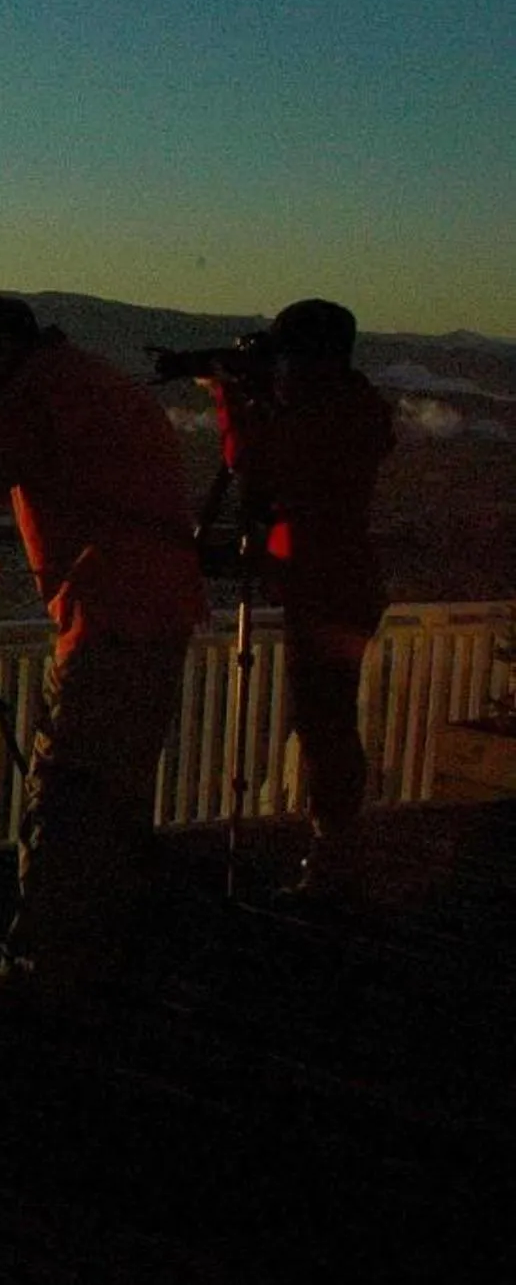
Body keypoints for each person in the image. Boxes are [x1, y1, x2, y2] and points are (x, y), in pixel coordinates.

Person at [0, 293, 207, 1019]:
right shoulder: (78, 380)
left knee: (69, 793)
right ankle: (103, 957)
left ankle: (43, 970)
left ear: (0, 346)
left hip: (111, 612)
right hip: (147, 605)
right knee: (109, 799)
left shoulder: (48, 393)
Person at [193, 298, 394, 906]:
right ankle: (336, 852)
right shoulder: (352, 408)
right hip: (336, 584)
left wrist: (231, 400)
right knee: (328, 723)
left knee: (325, 724)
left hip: (326, 587)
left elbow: (256, 464)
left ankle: (334, 858)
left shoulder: (327, 417)